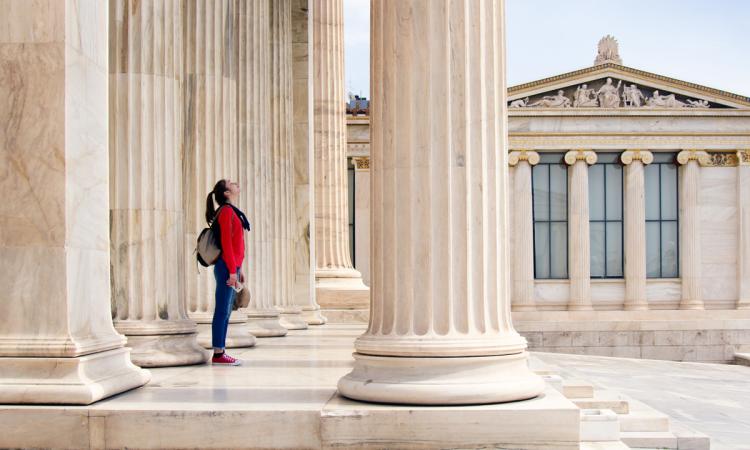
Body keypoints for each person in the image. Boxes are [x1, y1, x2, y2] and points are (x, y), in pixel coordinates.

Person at [205, 179, 251, 366]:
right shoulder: (225, 212)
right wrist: (232, 270)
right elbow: (226, 244)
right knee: (222, 310)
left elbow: (235, 243)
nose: (236, 183)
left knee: (226, 311)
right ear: (226, 192)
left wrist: (239, 269)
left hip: (231, 267)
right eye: (231, 183)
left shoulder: (230, 211)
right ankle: (218, 353)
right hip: (226, 267)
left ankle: (220, 351)